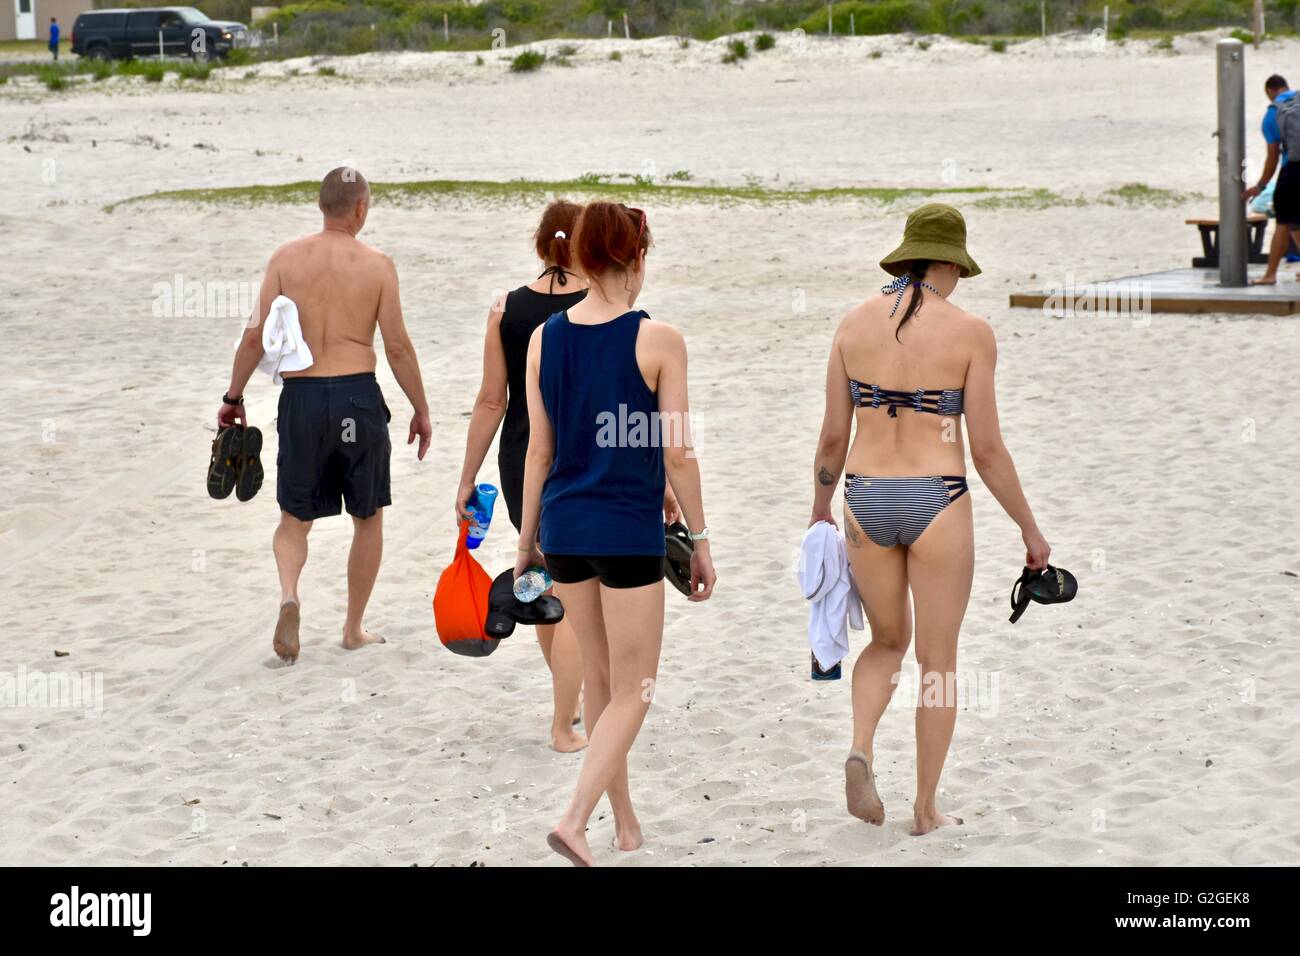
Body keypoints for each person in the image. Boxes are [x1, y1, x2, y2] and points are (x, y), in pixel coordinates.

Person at [809, 204, 1049, 836]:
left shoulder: (852, 324)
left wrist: (820, 514)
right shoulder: (970, 333)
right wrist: (1030, 529)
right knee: (938, 660)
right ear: (948, 262)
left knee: (887, 641)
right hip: (937, 497)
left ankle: (860, 745)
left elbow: (833, 438)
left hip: (863, 495)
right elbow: (989, 450)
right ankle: (924, 809)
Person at [514, 202, 716, 865]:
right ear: (637, 256)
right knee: (637, 690)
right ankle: (575, 819)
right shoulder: (659, 339)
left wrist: (526, 543)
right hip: (628, 533)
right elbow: (679, 451)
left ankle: (624, 825)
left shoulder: (546, 337)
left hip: (566, 528)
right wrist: (703, 536)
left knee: (601, 687)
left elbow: (538, 451)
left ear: (579, 258)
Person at [218, 167, 432, 665]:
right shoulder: (378, 264)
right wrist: (420, 408)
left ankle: (290, 595)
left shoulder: (285, 258)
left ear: (321, 206)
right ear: (360, 209)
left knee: (295, 518)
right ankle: (353, 627)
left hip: (304, 400)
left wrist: (233, 395)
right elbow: (396, 346)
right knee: (367, 516)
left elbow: (253, 337)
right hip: (357, 398)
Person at [454, 199, 591, 753]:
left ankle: (568, 696)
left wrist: (466, 478)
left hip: (520, 457)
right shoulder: (601, 304)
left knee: (543, 576)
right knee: (577, 588)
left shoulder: (505, 308)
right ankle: (564, 724)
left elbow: (491, 400)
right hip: (582, 456)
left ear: (540, 244)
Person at [1244, 74, 1298, 285]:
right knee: (1296, 225)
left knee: (1284, 223)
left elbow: (1273, 156)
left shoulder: (1273, 114)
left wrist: (1261, 185)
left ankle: (1270, 275)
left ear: (1269, 91)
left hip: (1293, 170)